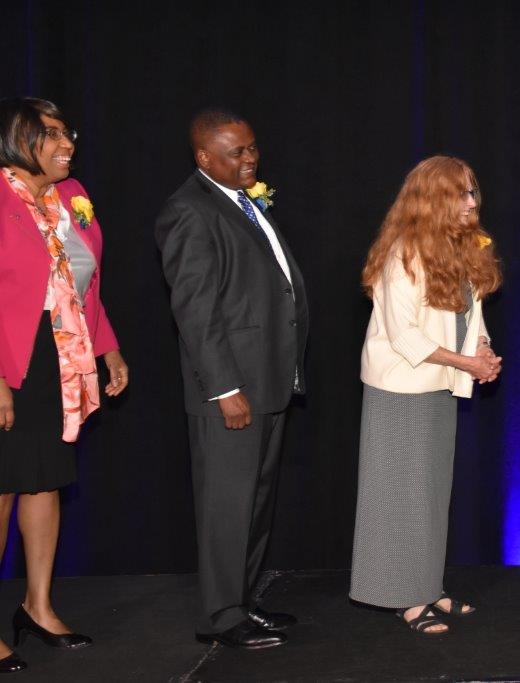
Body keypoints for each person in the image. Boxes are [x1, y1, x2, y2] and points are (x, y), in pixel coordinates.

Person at [155, 108, 309, 650]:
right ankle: (219, 617)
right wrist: (224, 388)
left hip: (266, 378)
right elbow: (195, 311)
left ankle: (241, 601)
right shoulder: (189, 211)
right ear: (204, 157)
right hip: (233, 387)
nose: (250, 159)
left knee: (255, 501)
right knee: (227, 504)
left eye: (252, 147)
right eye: (236, 152)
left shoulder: (238, 201)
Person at [0, 97, 128, 672]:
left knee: (43, 482)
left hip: (58, 361)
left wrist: (107, 347)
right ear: (15, 137)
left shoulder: (71, 195)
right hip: (10, 361)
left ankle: (38, 606)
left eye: (66, 132)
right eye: (50, 134)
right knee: (3, 486)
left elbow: (84, 283)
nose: (66, 143)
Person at [350, 156, 502, 636]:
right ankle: (407, 599)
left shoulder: (459, 247)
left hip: (439, 384)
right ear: (434, 200)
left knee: (432, 494)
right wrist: (467, 364)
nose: (472, 202)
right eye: (462, 193)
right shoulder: (402, 254)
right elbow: (406, 338)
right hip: (401, 389)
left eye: (473, 191)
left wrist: (483, 349)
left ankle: (428, 585)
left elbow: (470, 315)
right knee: (401, 495)